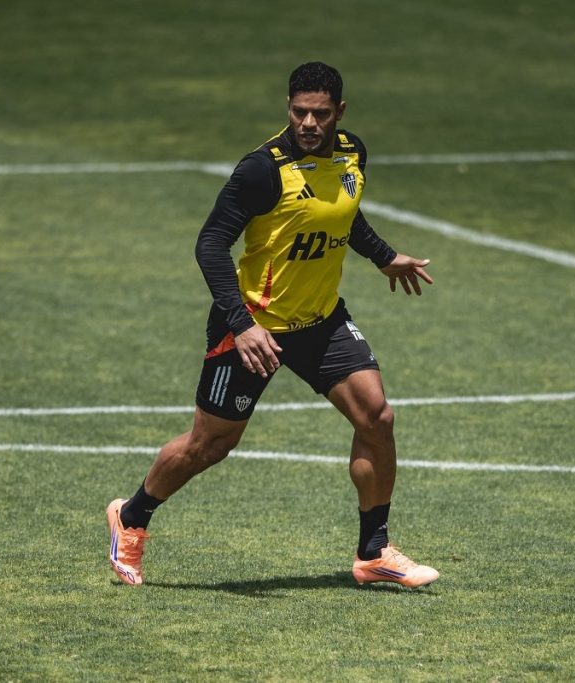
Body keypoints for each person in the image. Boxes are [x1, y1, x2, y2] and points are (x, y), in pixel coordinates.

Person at [106, 62, 439, 589]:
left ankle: (374, 552)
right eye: (299, 112)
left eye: (320, 114)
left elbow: (342, 213)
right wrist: (242, 325)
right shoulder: (262, 170)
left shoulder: (352, 153)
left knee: (377, 417)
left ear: (339, 112)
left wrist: (383, 256)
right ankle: (131, 517)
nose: (308, 123)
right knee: (209, 445)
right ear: (288, 107)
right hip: (254, 328)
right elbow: (210, 244)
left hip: (321, 320)